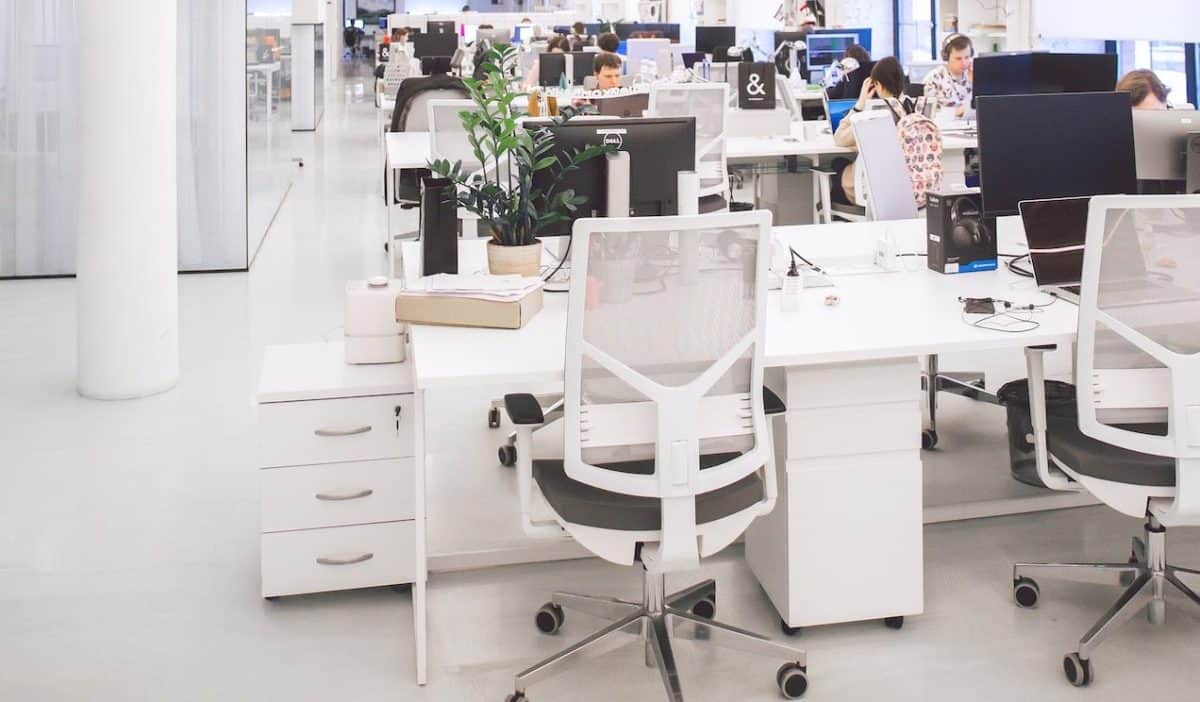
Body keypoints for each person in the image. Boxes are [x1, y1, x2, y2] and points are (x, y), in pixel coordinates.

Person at [831, 57, 916, 204]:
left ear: (878, 85)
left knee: (836, 165)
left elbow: (839, 139)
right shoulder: (915, 109)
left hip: (870, 190)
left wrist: (860, 103)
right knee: (841, 163)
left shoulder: (873, 115)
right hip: (906, 188)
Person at [923, 33, 974, 117]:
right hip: (945, 127)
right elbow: (928, 114)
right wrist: (957, 111)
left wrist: (975, 83)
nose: (964, 63)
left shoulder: (973, 75)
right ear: (946, 57)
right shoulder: (933, 79)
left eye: (967, 57)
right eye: (958, 58)